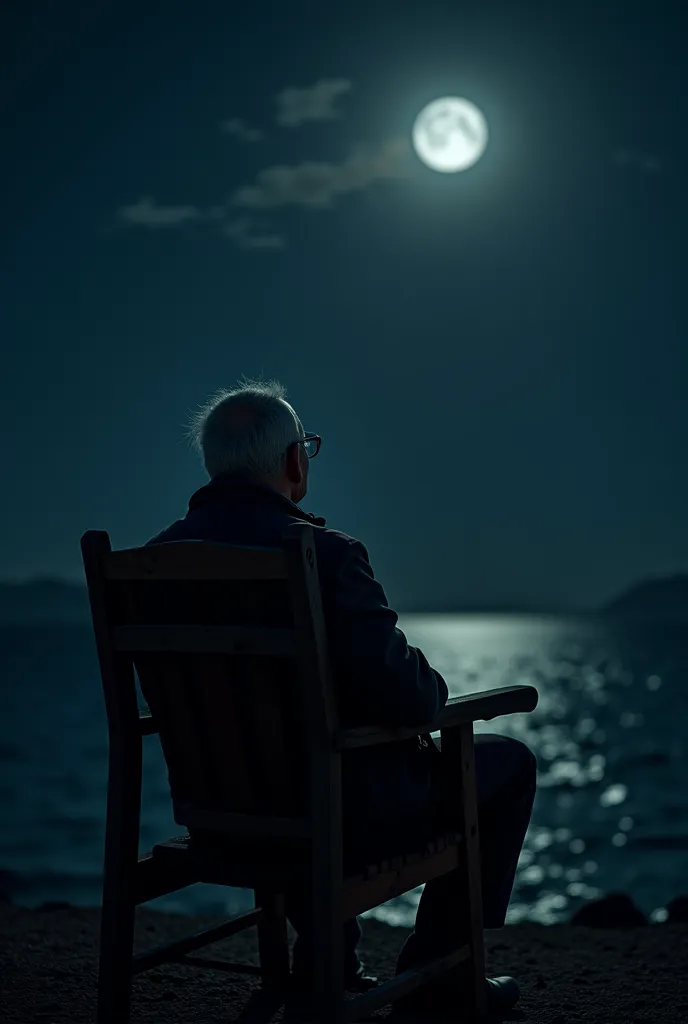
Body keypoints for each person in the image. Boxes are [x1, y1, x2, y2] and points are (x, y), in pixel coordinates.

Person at [145, 379, 536, 1019]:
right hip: (334, 818)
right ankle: (438, 978)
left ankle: (323, 959)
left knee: (298, 762)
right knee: (508, 762)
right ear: (296, 461)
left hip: (218, 817)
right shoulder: (324, 555)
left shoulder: (154, 563)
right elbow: (412, 698)